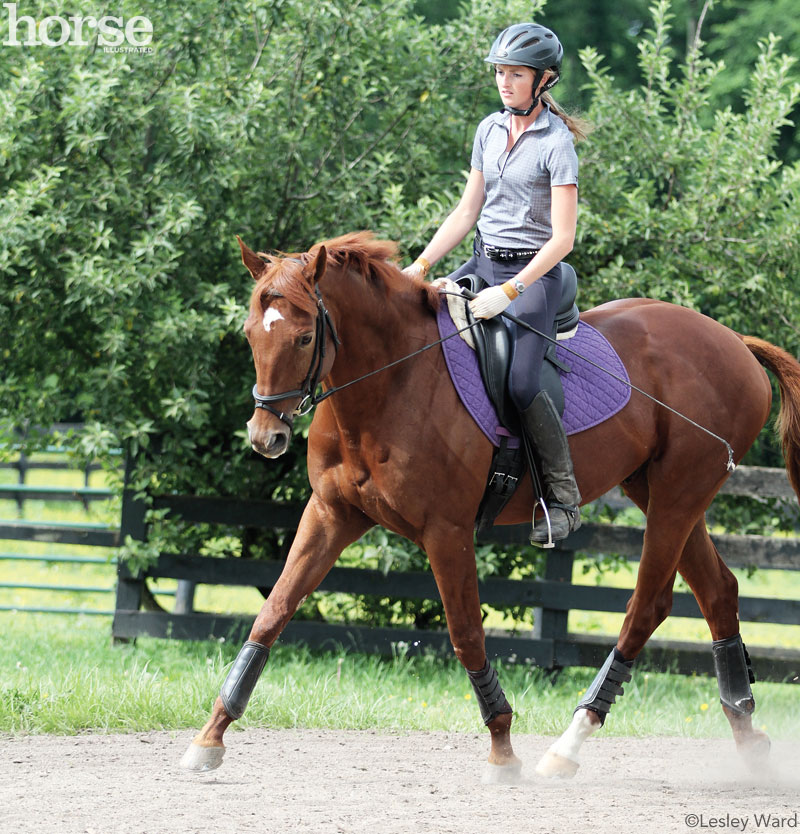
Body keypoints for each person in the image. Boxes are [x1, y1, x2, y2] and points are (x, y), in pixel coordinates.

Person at [403, 22, 589, 543]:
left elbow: (563, 240)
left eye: (516, 74)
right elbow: (467, 211)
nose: (505, 83)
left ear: (543, 79)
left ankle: (562, 499)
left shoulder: (557, 146)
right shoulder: (488, 129)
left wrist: (508, 293)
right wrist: (419, 266)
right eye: (500, 73)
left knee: (524, 381)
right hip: (482, 261)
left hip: (534, 275)